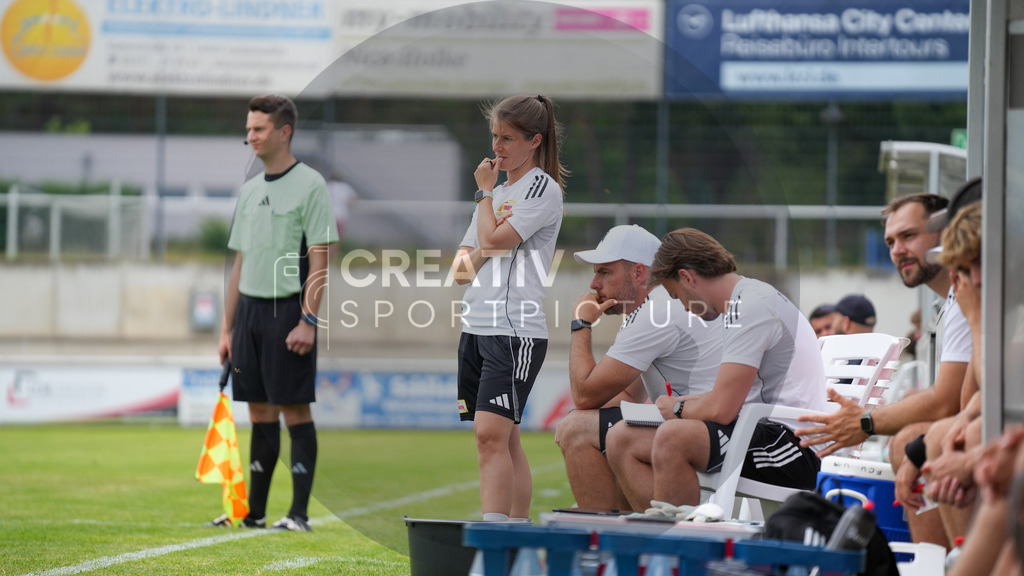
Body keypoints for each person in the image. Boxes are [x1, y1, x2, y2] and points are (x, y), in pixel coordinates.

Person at [794, 192, 972, 547]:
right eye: (891, 241)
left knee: (908, 440)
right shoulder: (954, 298)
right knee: (907, 440)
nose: (897, 250)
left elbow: (947, 404)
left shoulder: (968, 292)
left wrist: (866, 422)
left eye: (909, 236)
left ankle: (939, 560)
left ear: (945, 233)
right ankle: (934, 560)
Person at [606, 228, 825, 511]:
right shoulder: (746, 299)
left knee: (674, 438)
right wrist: (684, 405)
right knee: (622, 438)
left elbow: (723, 408)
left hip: (794, 447)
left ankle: (678, 547)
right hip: (767, 431)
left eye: (676, 295)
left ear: (686, 277)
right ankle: (656, 539)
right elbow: (726, 398)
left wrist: (678, 409)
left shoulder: (750, 307)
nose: (683, 307)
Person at [211, 95, 339, 532]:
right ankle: (254, 514)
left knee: (294, 411)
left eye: (259, 129)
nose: (250, 136)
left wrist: (309, 320)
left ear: (284, 132)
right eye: (249, 128)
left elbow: (320, 260)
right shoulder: (249, 190)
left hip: (289, 314)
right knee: (259, 413)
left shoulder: (311, 185)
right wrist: (227, 328)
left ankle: (299, 515)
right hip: (248, 316)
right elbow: (240, 264)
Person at [449, 94, 567, 523]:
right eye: (495, 136)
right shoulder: (496, 195)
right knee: (505, 439)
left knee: (489, 436)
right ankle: (516, 537)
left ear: (534, 141)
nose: (497, 147)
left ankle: (495, 540)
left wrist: (485, 205)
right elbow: (461, 270)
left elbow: (496, 242)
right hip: (476, 327)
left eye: (508, 139)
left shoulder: (539, 188)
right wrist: (488, 229)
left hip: (513, 331)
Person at [554, 225, 723, 511]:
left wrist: (581, 323)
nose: (594, 284)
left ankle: (602, 542)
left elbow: (585, 394)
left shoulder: (656, 311)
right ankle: (613, 524)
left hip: (712, 430)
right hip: (713, 424)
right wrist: (585, 413)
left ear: (639, 273)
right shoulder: (660, 304)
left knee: (576, 430)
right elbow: (629, 396)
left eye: (605, 272)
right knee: (584, 423)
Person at [325, 172, 357, 261]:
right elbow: (353, 199)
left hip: (327, 216)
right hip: (339, 216)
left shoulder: (326, 186)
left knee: (326, 239)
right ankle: (333, 257)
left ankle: (324, 257)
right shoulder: (344, 187)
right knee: (336, 239)